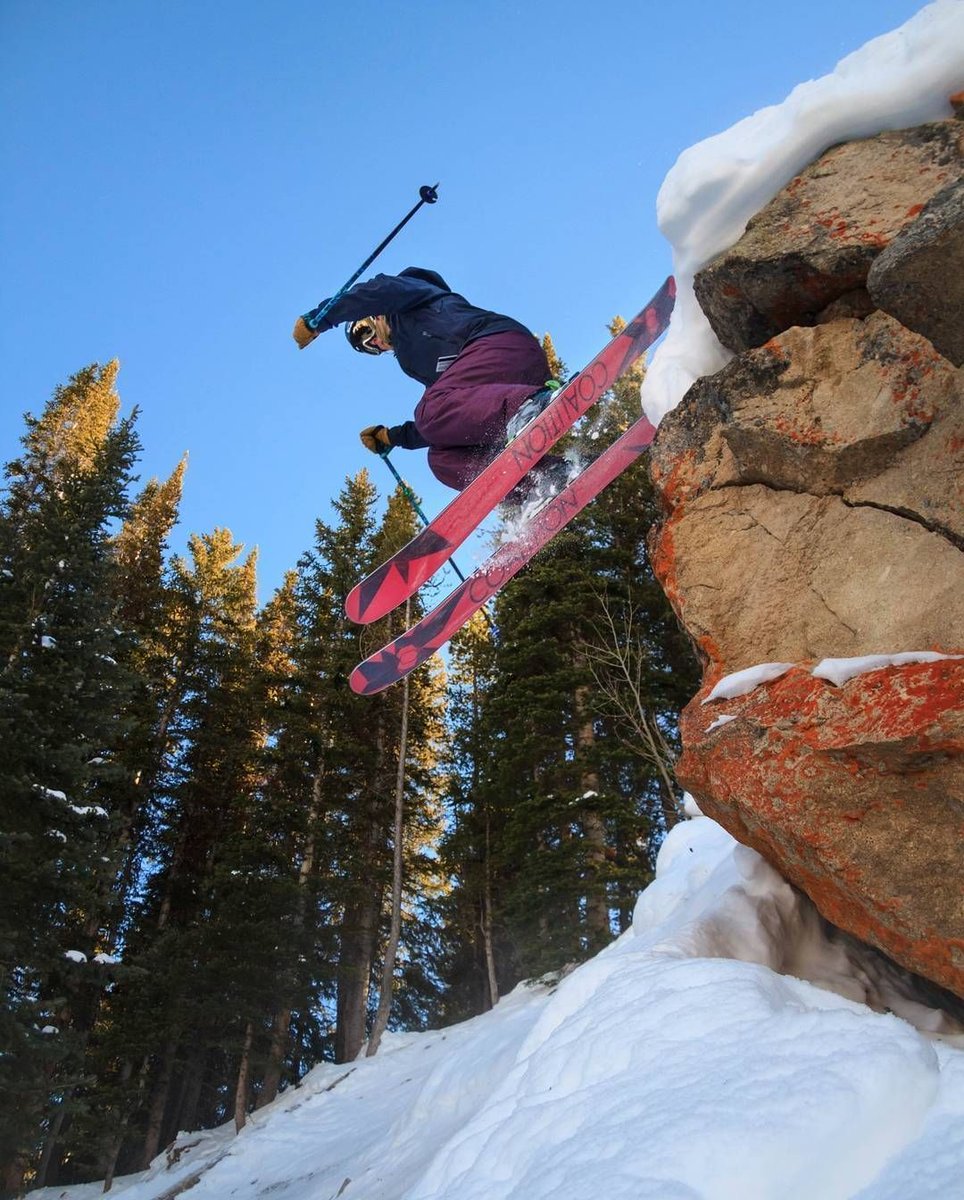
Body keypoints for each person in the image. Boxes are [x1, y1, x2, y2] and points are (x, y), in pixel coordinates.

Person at [292, 267, 562, 496]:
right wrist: (393, 437)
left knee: (428, 411)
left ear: (376, 314)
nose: (375, 343)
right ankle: (543, 480)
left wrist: (323, 318)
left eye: (366, 332)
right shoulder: (413, 363)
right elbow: (451, 415)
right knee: (442, 459)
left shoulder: (412, 297)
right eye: (369, 348)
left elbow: (380, 291)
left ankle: (528, 406)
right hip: (497, 392)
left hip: (503, 346)